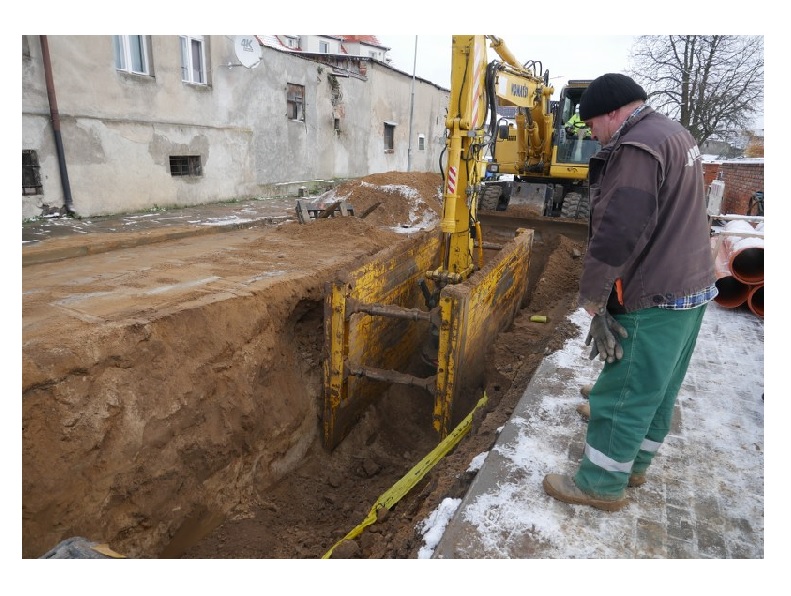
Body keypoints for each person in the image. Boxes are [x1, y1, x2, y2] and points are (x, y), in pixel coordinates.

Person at [542, 73, 718, 511]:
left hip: (654, 291)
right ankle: (635, 465)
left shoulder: (637, 149)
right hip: (689, 287)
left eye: (593, 125)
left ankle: (600, 484)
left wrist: (595, 300)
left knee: (622, 393)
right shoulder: (673, 133)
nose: (592, 135)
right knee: (656, 387)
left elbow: (618, 232)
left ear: (613, 112)